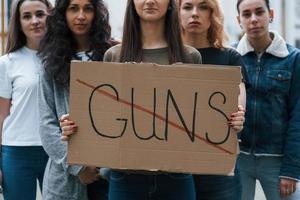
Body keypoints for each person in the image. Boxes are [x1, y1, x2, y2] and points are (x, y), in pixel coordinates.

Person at [61, 0, 202, 199]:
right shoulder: (113, 56)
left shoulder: (190, 56)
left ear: (171, 3)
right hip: (125, 180)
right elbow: (104, 117)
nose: (150, 1)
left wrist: (231, 120)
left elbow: (199, 117)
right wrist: (75, 126)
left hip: (177, 178)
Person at [38, 0, 115, 199]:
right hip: (65, 181)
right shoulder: (50, 63)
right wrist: (78, 167)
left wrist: (103, 168)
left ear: (96, 14)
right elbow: (47, 125)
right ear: (63, 14)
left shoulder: (113, 55)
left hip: (109, 176)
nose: (81, 16)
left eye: (88, 9)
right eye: (73, 9)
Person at [178, 0, 246, 199]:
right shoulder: (166, 58)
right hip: (175, 169)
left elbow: (239, 104)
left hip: (219, 171)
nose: (195, 13)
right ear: (178, 13)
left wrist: (239, 115)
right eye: (188, 7)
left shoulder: (230, 58)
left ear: (213, 14)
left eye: (203, 7)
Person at [236, 0, 300, 199]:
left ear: (270, 14)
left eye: (259, 12)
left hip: (277, 160)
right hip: (239, 158)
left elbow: (298, 117)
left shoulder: (293, 58)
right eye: (246, 14)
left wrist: (291, 169)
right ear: (239, 20)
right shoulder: (231, 57)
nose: (253, 19)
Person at [0, 0, 52, 199]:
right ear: (19, 23)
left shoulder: (63, 58)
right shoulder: (7, 62)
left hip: (54, 150)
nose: (35, 21)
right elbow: (2, 114)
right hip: (16, 151)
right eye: (27, 16)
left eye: (40, 14)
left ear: (50, 16)